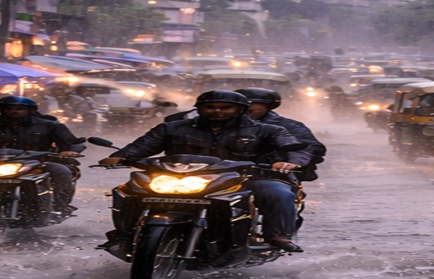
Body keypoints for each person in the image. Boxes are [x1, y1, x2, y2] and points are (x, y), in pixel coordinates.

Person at [98, 90, 311, 252]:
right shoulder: (173, 127)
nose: (217, 111)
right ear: (199, 108)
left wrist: (290, 162)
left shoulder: (268, 129)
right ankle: (124, 235)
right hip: (179, 176)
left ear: (241, 110)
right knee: (127, 190)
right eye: (211, 107)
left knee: (278, 192)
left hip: (244, 177)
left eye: (225, 107)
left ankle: (278, 235)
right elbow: (141, 147)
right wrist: (120, 157)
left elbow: (293, 148)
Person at [234, 87, 327, 181]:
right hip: (229, 173)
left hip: (273, 175)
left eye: (252, 105)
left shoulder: (288, 126)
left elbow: (308, 147)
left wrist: (289, 163)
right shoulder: (224, 125)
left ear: (268, 106)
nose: (247, 108)